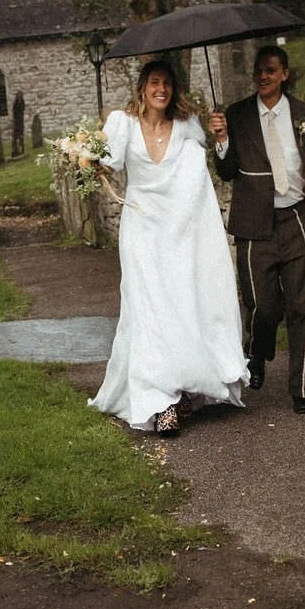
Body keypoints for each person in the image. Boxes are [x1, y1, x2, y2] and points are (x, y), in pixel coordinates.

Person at [89, 60, 248, 436]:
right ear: (143, 88)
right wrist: (82, 157)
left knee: (182, 306)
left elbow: (199, 178)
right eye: (155, 83)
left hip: (180, 231)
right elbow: (105, 162)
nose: (161, 89)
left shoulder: (188, 126)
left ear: (173, 90)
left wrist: (220, 136)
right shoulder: (123, 124)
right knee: (148, 311)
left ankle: (185, 385)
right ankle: (160, 402)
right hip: (142, 230)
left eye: (167, 84)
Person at [210, 45, 305, 415]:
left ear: (284, 74)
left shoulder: (304, 116)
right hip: (254, 224)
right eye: (259, 70)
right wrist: (222, 141)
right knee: (262, 305)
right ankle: (256, 351)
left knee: (303, 306)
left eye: (270, 70)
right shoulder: (237, 116)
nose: (263, 76)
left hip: (295, 220)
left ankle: (301, 389)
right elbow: (225, 172)